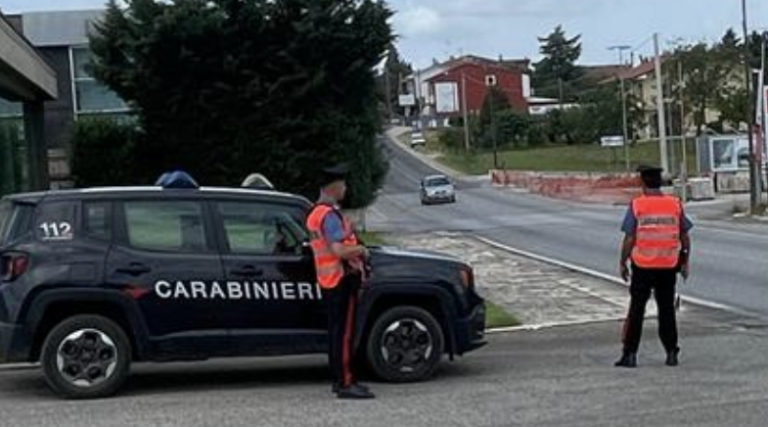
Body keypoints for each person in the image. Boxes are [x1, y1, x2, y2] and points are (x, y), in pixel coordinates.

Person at [305, 164, 375, 399]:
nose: (345, 188)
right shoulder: (328, 216)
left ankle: (338, 379)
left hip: (328, 280)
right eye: (343, 184)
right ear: (334, 187)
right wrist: (361, 251)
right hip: (341, 280)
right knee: (344, 334)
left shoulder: (315, 214)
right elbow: (338, 251)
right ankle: (346, 382)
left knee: (336, 334)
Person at [616, 165, 693, 368]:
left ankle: (630, 354)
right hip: (668, 264)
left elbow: (630, 238)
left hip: (643, 265)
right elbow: (685, 236)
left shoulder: (637, 205)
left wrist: (622, 262)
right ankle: (671, 352)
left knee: (637, 310)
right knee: (667, 309)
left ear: (642, 182)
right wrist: (685, 260)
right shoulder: (674, 204)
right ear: (660, 183)